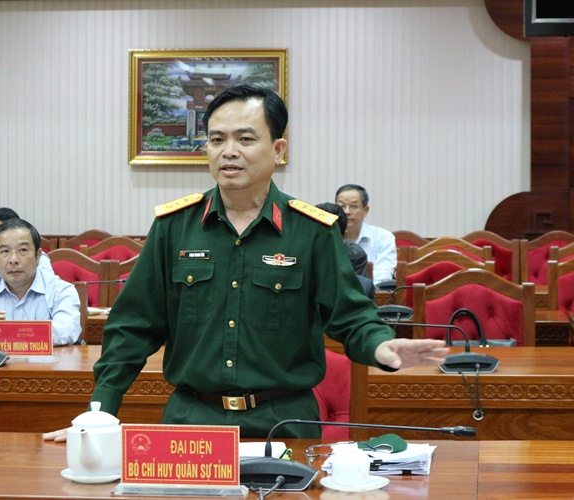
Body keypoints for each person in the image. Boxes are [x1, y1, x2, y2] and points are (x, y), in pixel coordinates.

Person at [44, 84, 447, 442]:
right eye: (216, 139)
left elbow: (350, 316)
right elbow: (133, 325)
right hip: (192, 421)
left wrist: (380, 345)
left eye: (245, 138)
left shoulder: (312, 231)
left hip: (284, 422)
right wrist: (101, 410)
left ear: (278, 150)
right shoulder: (174, 227)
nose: (229, 151)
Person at [0, 218, 81, 346]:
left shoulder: (61, 290)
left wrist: (3, 331)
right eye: (5, 251)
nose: (13, 259)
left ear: (38, 256)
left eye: (23, 250)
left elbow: (65, 331)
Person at [335, 184, 397, 284]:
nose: (346, 212)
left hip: (371, 292)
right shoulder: (326, 237)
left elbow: (383, 276)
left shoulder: (383, 237)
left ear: (365, 210)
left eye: (353, 206)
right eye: (342, 206)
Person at [316, 202, 375, 300]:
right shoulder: (298, 252)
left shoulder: (355, 255)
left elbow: (355, 292)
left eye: (329, 237)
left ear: (344, 236)